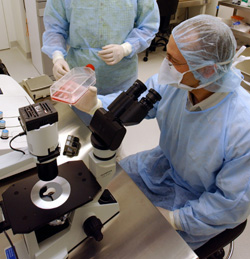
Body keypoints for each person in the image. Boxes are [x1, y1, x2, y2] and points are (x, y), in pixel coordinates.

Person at [72, 15, 250, 250]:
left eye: (173, 60)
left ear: (207, 70)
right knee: (102, 194)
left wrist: (176, 219)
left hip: (198, 202)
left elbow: (231, 203)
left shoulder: (242, 126)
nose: (165, 65)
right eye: (166, 54)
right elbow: (133, 105)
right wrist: (96, 104)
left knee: (137, 247)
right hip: (159, 166)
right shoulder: (177, 84)